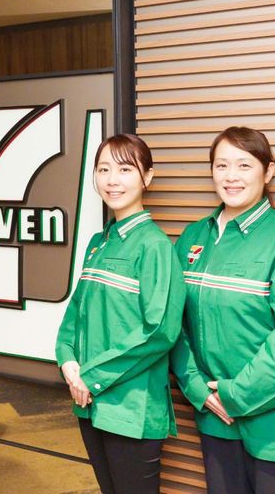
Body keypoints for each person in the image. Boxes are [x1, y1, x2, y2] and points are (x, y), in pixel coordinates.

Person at [170, 126, 275, 494]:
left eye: (244, 165)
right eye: (221, 165)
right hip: (217, 418)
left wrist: (234, 394)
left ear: (268, 171)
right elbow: (172, 323)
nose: (231, 176)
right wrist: (197, 387)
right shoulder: (192, 238)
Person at [55, 133, 185, 494]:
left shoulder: (155, 246)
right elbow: (76, 313)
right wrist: (67, 361)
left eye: (125, 169)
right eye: (104, 169)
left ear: (147, 177)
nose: (112, 180)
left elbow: (159, 331)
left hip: (130, 407)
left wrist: (90, 377)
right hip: (89, 401)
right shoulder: (98, 243)